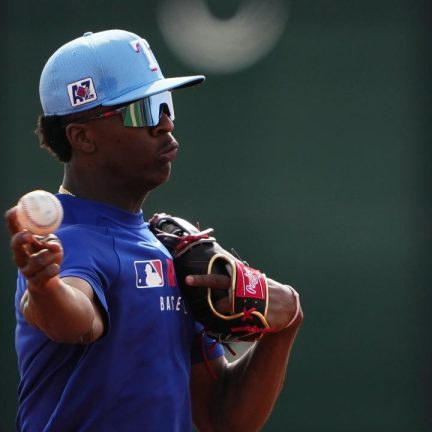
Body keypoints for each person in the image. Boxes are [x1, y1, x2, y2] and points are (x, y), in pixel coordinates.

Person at [6, 29, 303, 432]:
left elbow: (222, 418)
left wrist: (283, 326)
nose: (164, 124)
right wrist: (43, 289)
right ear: (82, 136)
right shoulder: (69, 240)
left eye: (165, 105)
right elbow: (75, 322)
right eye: (143, 110)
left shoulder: (170, 250)